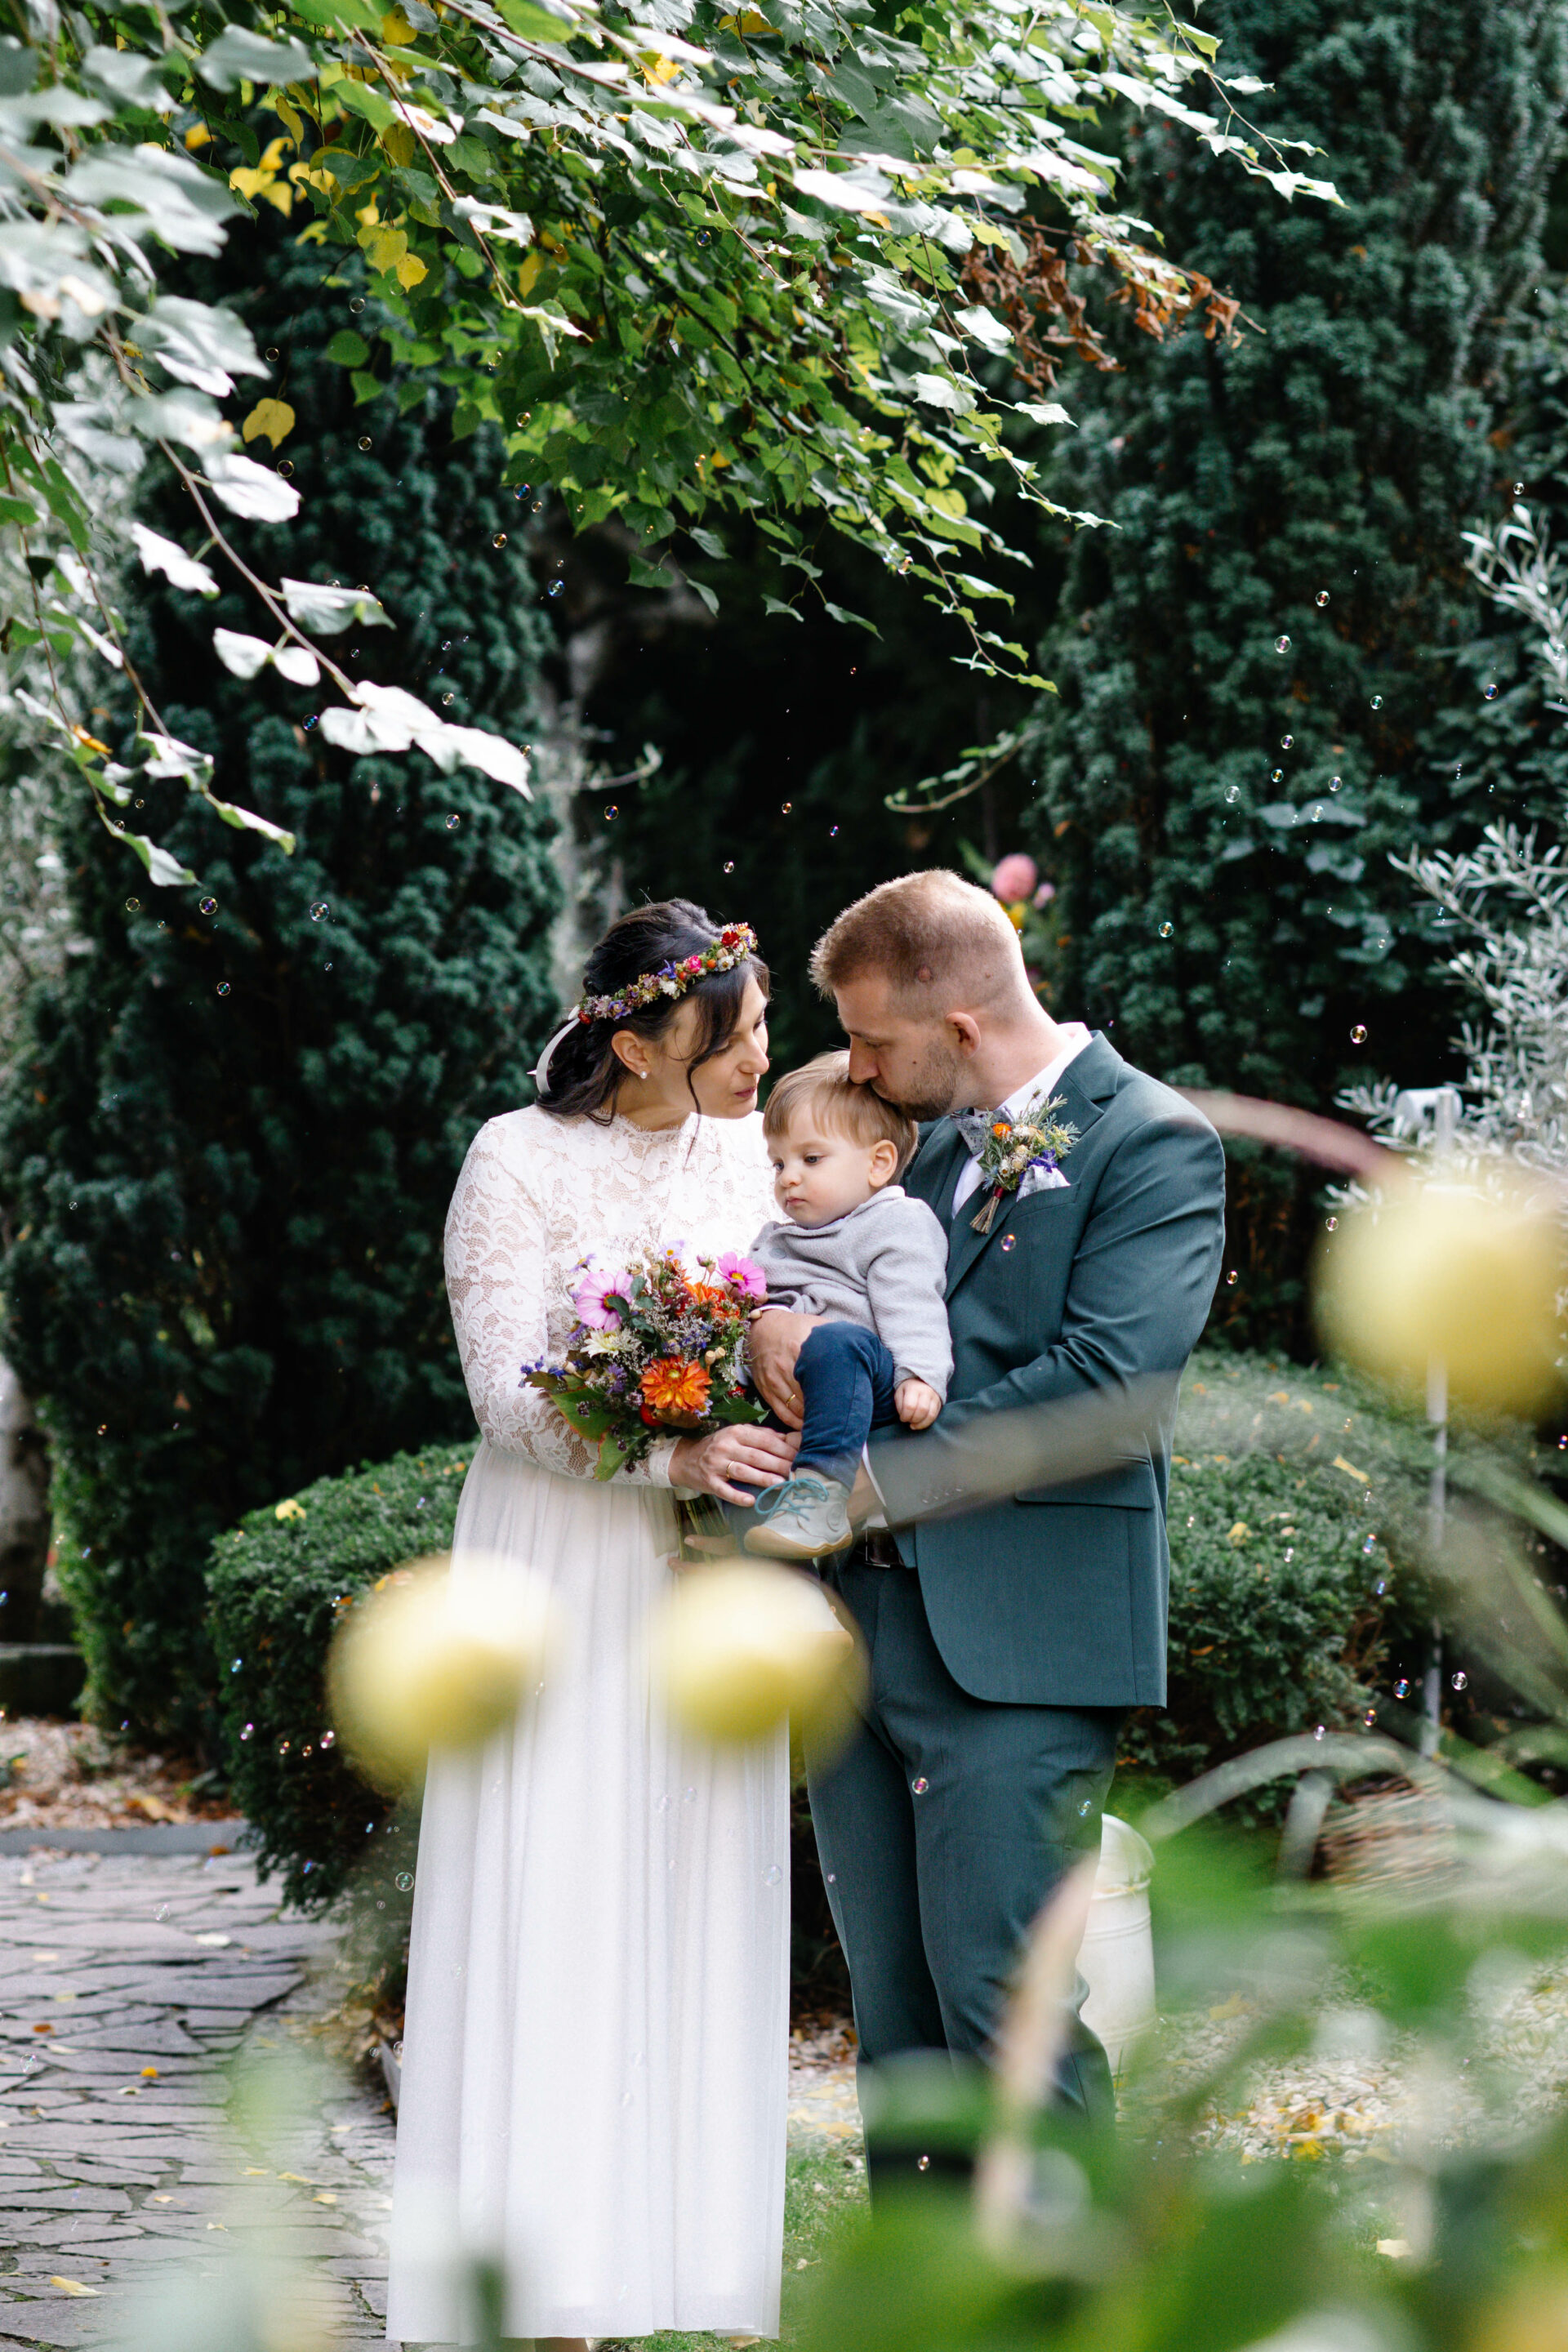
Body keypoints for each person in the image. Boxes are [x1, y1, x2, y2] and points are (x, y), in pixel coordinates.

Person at [747, 869, 1227, 2152]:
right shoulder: (917, 1145)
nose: (855, 1069)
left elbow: (1107, 1388)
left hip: (1023, 1641)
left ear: (958, 1024)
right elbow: (838, 1303)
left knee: (1001, 2009)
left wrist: (866, 1484)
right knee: (899, 2029)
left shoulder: (1153, 1140)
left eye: (870, 1041)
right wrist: (770, 1337)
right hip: (856, 1636)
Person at [385, 900, 797, 2352]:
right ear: (634, 1043)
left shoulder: (756, 1154)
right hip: (560, 1563)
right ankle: (547, 2291)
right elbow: (506, 1386)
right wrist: (658, 1453)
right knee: (559, 1884)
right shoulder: (514, 1159)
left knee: (696, 1882)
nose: (760, 1058)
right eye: (730, 1036)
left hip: (713, 1572)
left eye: (762, 1029)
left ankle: (687, 2272)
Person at [739, 1050, 951, 1561]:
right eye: (779, 1163)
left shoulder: (895, 1221)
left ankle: (821, 1495)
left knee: (836, 1340)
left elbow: (914, 1303)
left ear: (879, 1163)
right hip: (800, 1393)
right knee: (730, 1408)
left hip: (865, 1383)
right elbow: (751, 1308)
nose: (788, 1177)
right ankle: (758, 1541)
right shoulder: (777, 1239)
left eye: (811, 1159)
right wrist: (761, 1321)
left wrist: (920, 1375)